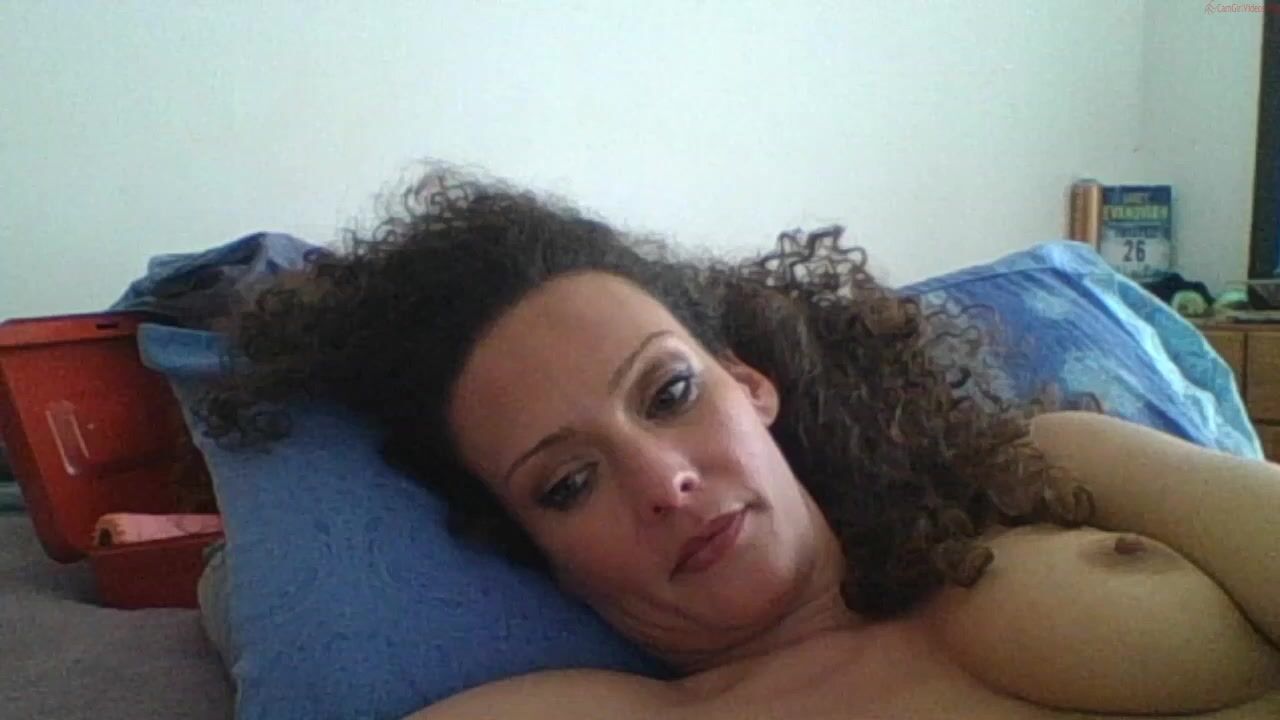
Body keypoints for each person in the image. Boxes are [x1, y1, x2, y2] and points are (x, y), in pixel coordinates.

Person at [204, 167, 1280, 718]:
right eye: (568, 483)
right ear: (533, 551)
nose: (663, 481)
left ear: (751, 381)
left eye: (668, 392)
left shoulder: (1058, 465)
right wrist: (222, 586)